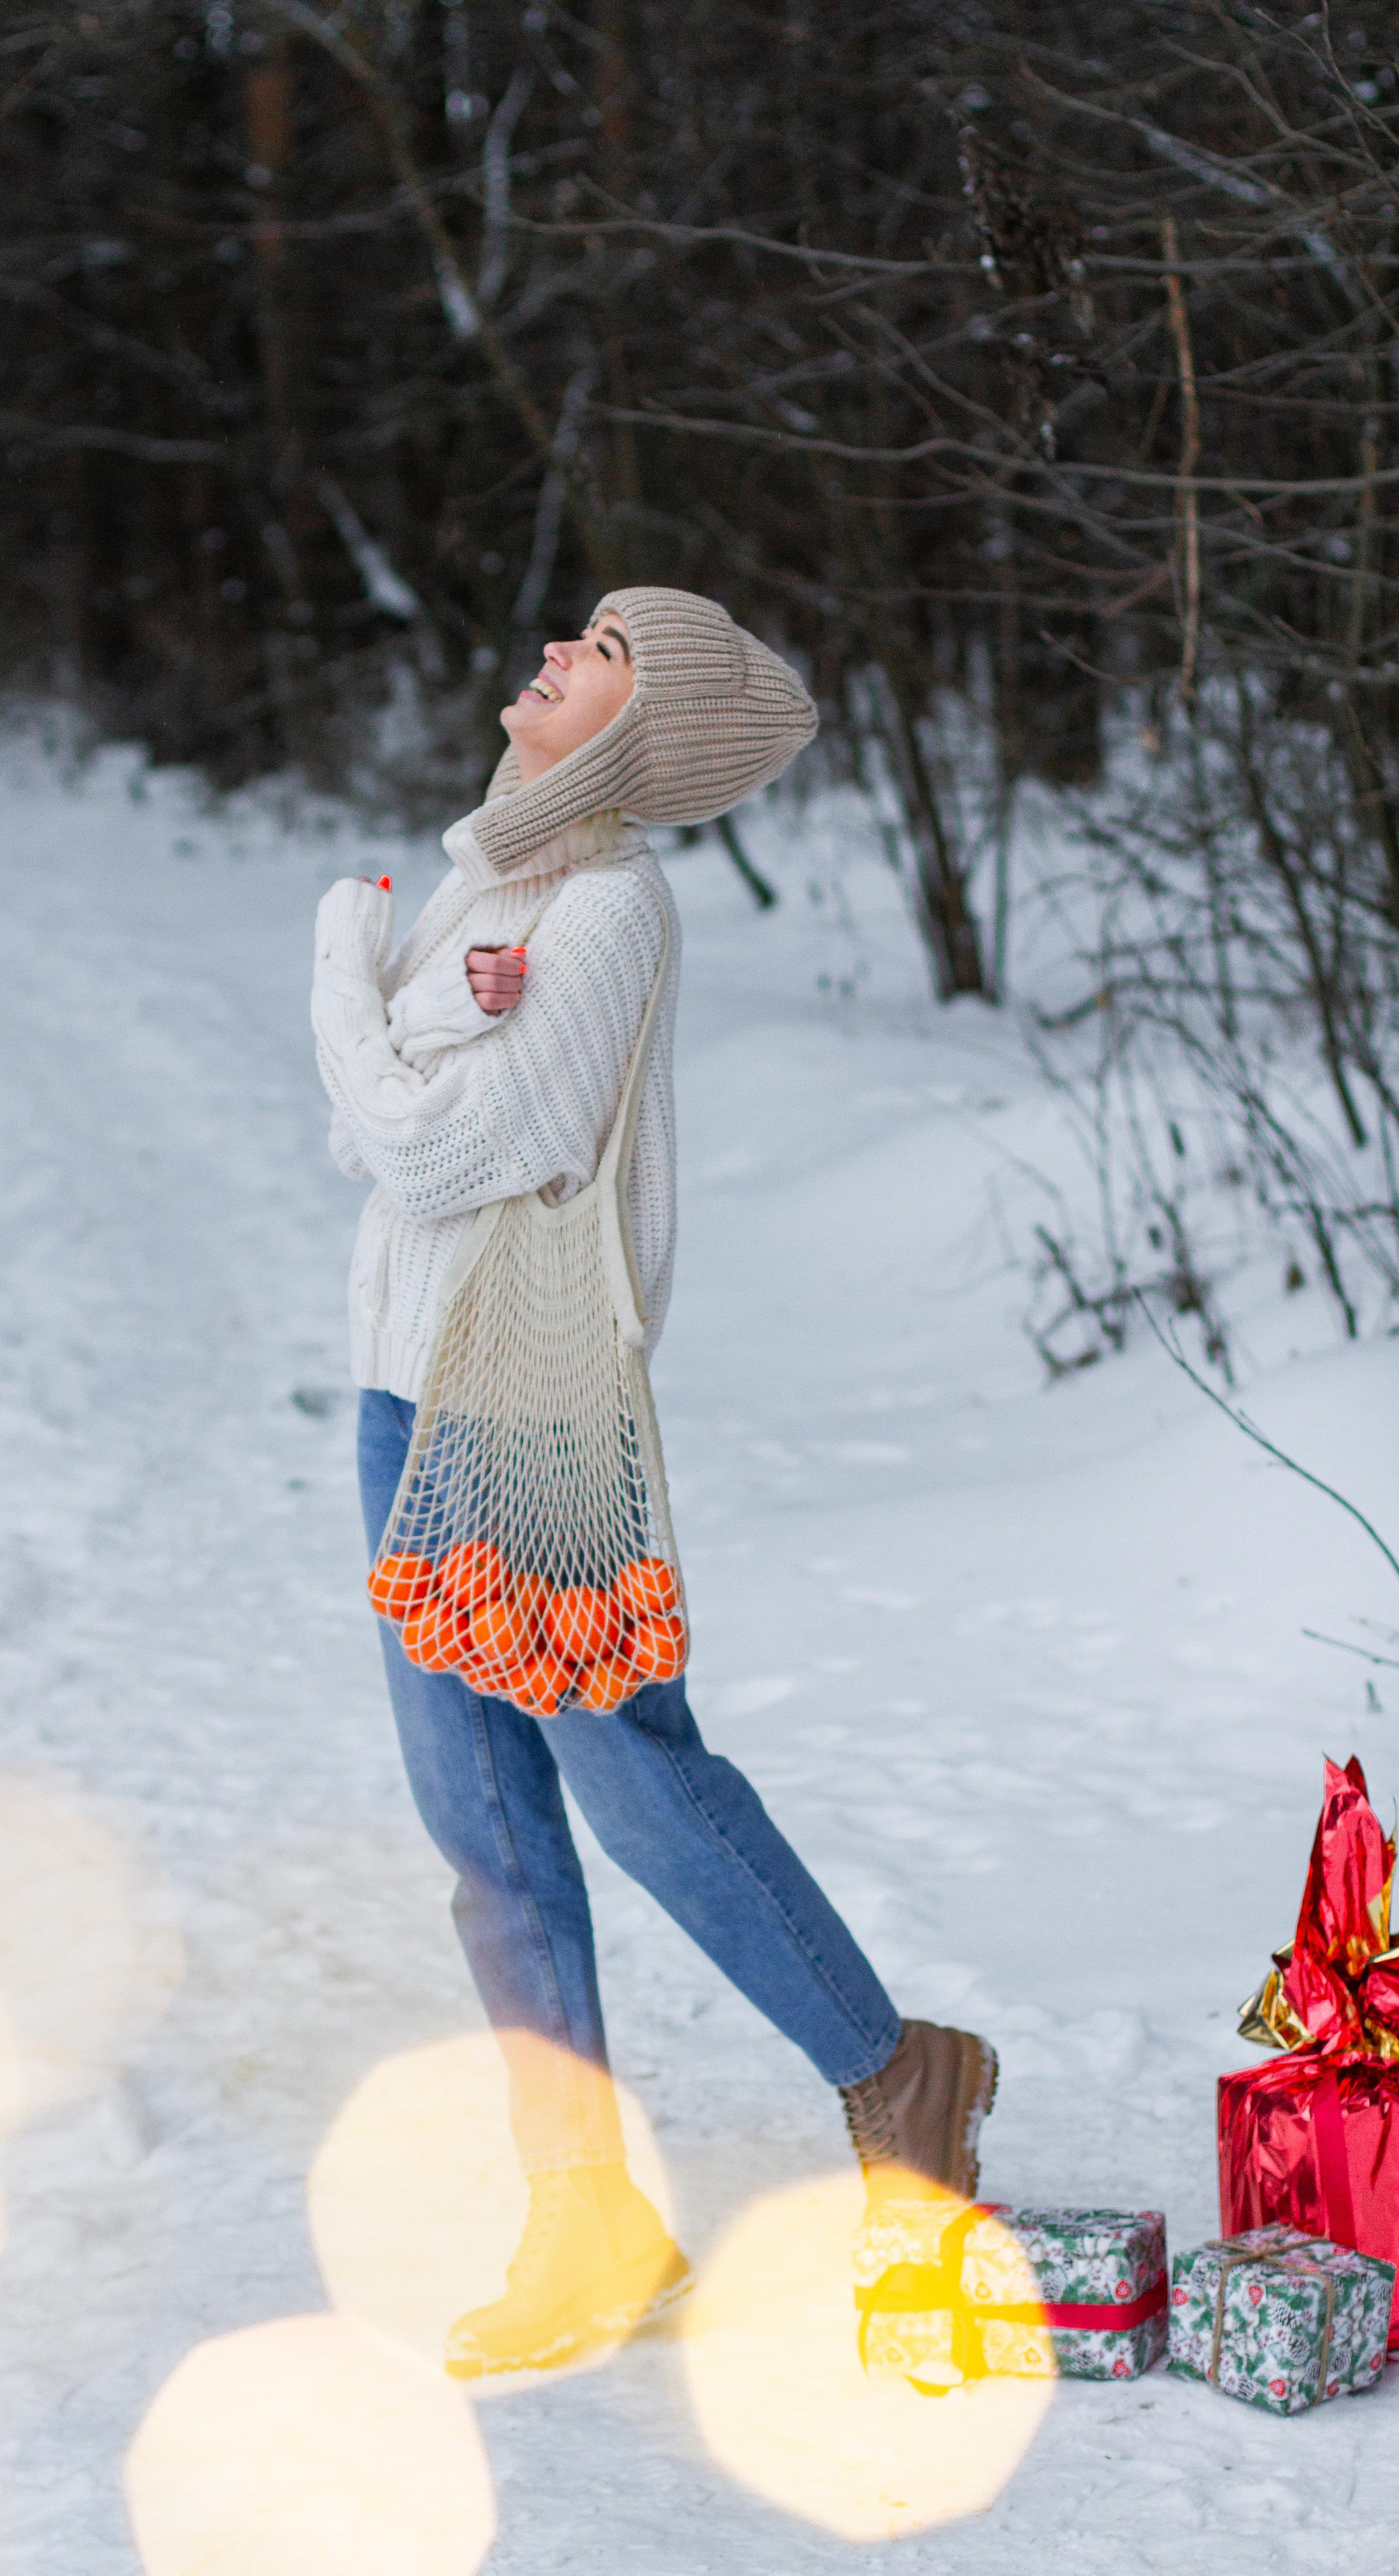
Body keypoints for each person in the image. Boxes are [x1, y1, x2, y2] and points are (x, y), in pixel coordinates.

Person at [311, 586, 996, 2380]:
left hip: (525, 1407)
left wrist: (339, 980)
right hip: (402, 1396)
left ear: (637, 732)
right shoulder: (488, 883)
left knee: (630, 1780)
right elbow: (366, 1141)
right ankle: (587, 2219)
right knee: (485, 1838)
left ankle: (898, 2070)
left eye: (605, 655)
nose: (559, 649)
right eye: (583, 633)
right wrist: (407, 1033)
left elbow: (441, 1149)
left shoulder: (610, 908)